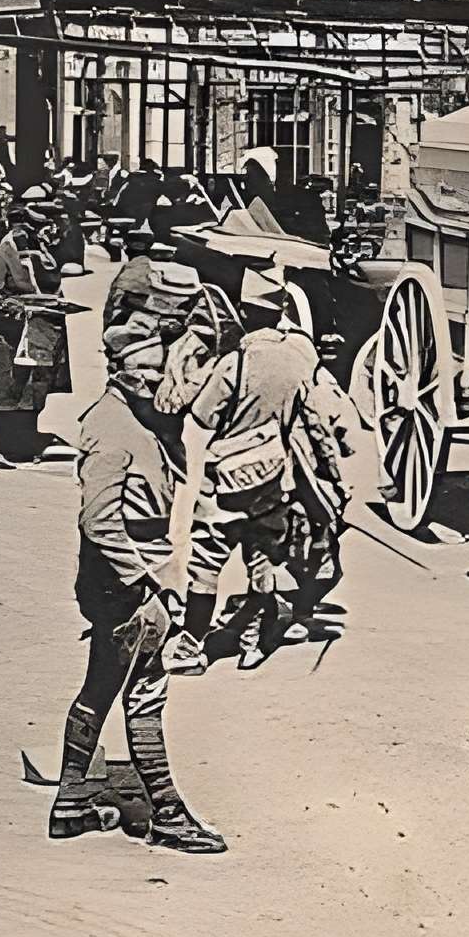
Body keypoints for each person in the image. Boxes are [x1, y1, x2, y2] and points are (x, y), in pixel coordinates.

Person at [51, 316, 226, 854]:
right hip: (124, 586)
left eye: (158, 370)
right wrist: (145, 583)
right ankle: (167, 815)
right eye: (143, 372)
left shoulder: (133, 418)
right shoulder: (112, 427)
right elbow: (98, 521)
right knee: (145, 693)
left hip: (131, 581)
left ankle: (70, 805)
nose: (155, 382)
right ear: (118, 371)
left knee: (104, 686)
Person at [165, 270, 329, 674]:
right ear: (281, 312)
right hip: (274, 480)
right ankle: (254, 643)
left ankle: (193, 648)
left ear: (244, 311)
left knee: (206, 563)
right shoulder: (302, 356)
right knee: (262, 561)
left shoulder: (235, 363)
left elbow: (202, 419)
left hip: (225, 486)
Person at [0, 200, 75, 467]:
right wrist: (22, 308)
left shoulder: (41, 255)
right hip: (9, 336)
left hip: (40, 334)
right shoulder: (1, 256)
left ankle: (22, 443)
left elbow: (50, 287)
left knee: (32, 391)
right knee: (4, 394)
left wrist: (57, 304)